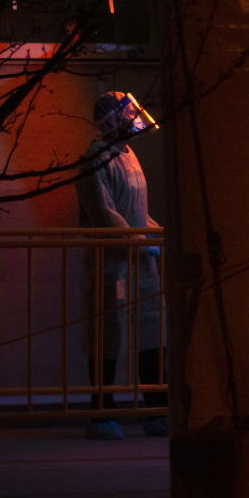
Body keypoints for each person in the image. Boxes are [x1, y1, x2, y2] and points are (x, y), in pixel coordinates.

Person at [76, 91, 167, 440]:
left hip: (140, 261)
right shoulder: (96, 159)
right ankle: (102, 412)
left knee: (150, 332)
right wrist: (141, 242)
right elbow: (105, 214)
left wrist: (155, 235)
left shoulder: (128, 156)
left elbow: (135, 208)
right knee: (107, 337)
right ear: (112, 120)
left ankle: (155, 406)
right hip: (111, 265)